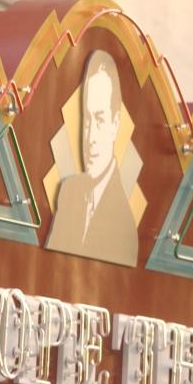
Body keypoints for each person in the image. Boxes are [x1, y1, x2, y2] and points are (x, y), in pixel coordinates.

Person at [45, 50, 139, 266]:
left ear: (115, 124)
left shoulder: (124, 226)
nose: (90, 138)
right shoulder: (69, 192)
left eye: (99, 120)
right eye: (87, 120)